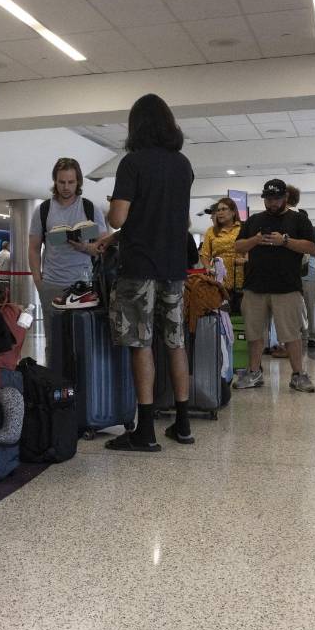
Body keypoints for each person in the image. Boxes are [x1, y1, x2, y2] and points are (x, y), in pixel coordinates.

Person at [105, 94, 195, 450]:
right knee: (176, 342)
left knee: (140, 344)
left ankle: (145, 431)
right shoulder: (183, 164)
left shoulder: (133, 163)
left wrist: (112, 211)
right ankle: (183, 424)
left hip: (139, 266)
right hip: (174, 266)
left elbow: (118, 218)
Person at [233, 179, 315, 392]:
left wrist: (285, 241)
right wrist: (255, 240)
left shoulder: (299, 220)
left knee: (291, 334)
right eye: (268, 199)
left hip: (287, 287)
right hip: (255, 286)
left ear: (285, 197)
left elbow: (310, 247)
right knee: (254, 333)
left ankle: (298, 375)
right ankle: (254, 372)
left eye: (277, 198)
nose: (272, 203)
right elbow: (238, 246)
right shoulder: (254, 220)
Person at [28, 158, 108, 362]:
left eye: (71, 182)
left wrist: (85, 247)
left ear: (78, 182)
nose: (66, 187)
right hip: (52, 285)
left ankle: (82, 380)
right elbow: (34, 248)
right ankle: (54, 378)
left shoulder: (90, 209)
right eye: (61, 182)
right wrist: (38, 281)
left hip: (84, 286)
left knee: (83, 341)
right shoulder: (43, 210)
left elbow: (104, 247)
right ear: (55, 181)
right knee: (54, 343)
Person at [286, 186, 315, 349]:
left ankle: (314, 336)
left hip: (310, 273)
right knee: (294, 305)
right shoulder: (289, 232)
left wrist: (307, 249)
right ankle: (301, 333)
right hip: (291, 272)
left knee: (311, 305)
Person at [199, 197, 244, 305]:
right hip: (219, 278)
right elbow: (205, 254)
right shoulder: (211, 231)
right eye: (218, 210)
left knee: (242, 311)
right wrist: (208, 268)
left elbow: (251, 248)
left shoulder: (243, 228)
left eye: (224, 209)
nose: (220, 212)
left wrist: (246, 259)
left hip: (241, 277)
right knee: (221, 310)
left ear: (233, 212)